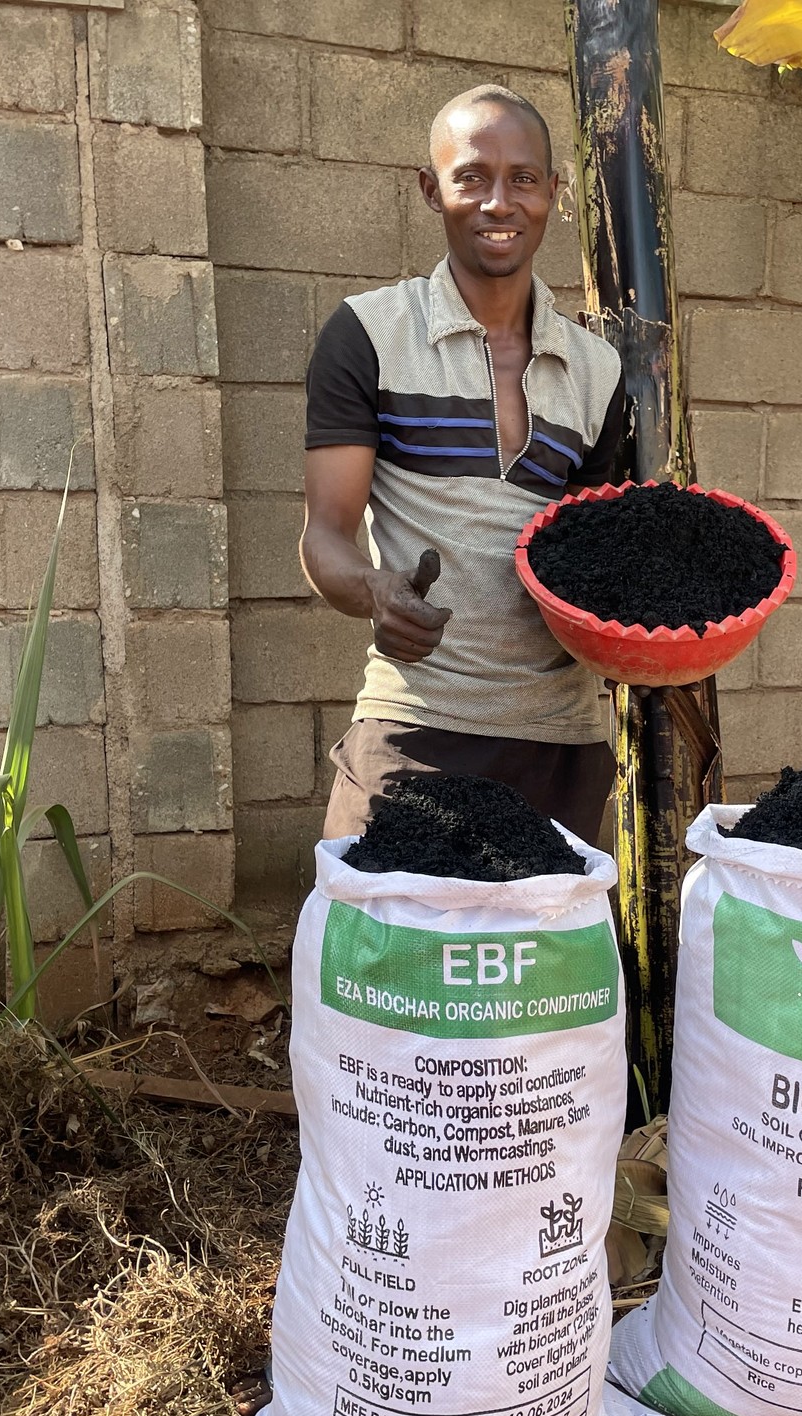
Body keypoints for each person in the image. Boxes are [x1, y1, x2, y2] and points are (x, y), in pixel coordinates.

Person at [299, 83, 630, 846]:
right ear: (431, 189)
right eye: (471, 177)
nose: (499, 202)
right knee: (381, 959)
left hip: (564, 743)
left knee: (548, 967)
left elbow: (592, 560)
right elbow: (325, 534)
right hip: (418, 728)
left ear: (553, 192)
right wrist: (373, 589)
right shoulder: (369, 335)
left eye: (522, 178)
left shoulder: (598, 370)